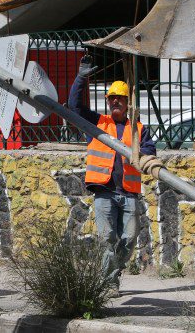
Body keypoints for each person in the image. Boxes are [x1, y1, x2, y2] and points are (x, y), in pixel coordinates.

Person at [69, 55, 155, 295]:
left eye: (120, 98)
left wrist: (138, 154)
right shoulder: (97, 123)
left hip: (128, 192)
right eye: (112, 98)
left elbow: (149, 151)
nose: (115, 101)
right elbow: (74, 108)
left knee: (128, 239)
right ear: (108, 101)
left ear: (128, 103)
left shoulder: (138, 129)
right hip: (104, 192)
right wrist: (81, 78)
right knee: (107, 239)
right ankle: (109, 284)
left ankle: (112, 273)